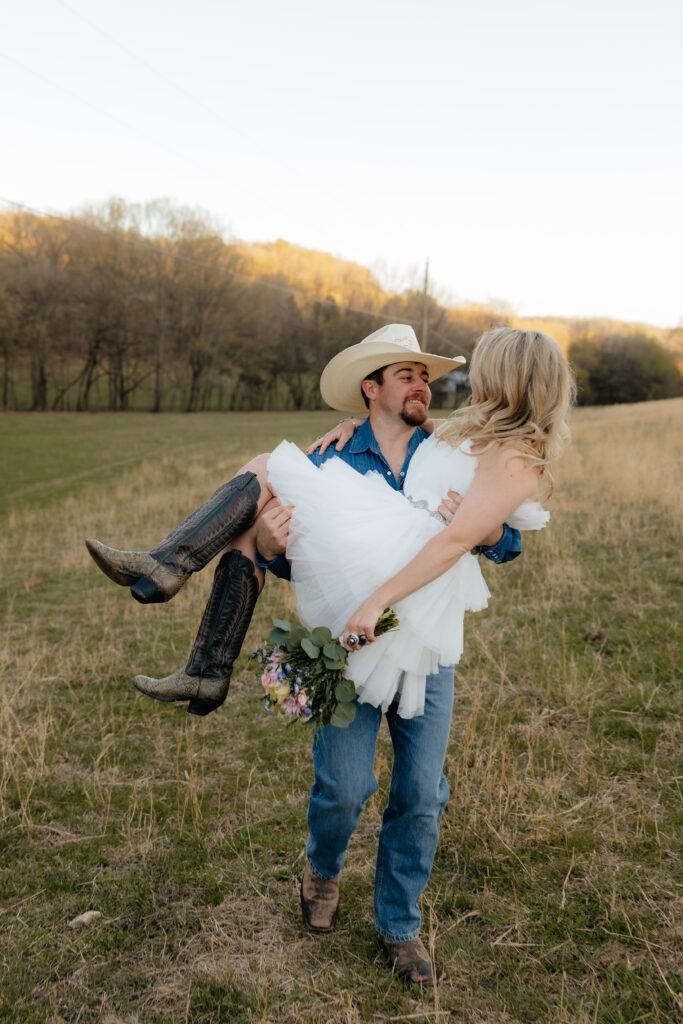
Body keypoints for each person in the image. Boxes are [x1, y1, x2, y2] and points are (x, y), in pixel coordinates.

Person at [85, 324, 555, 984]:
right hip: (339, 645)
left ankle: (400, 925)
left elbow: (504, 542)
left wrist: (489, 528)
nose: (423, 384)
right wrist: (272, 550)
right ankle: (321, 869)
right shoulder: (329, 456)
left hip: (422, 643)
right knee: (343, 788)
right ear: (371, 389)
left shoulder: (449, 447)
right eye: (406, 375)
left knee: (420, 793)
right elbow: (305, 563)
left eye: (426, 376)